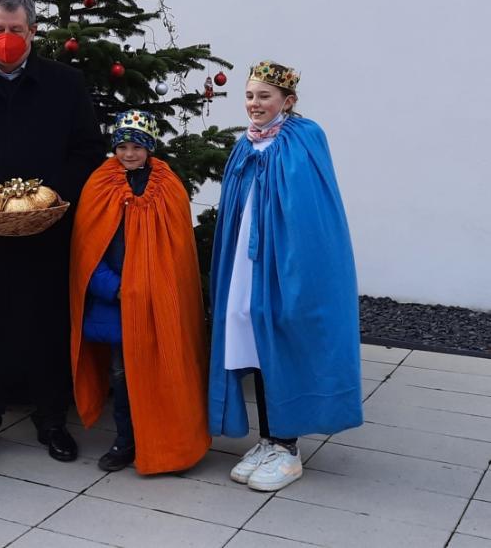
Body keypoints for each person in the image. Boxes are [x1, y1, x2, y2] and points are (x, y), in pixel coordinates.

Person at [0, 0, 104, 463]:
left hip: (48, 230)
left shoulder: (66, 84)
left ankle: (52, 418)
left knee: (47, 321)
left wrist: (41, 200)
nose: (6, 39)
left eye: (15, 30)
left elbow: (87, 151)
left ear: (32, 31)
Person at [208, 61, 362, 492]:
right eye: (251, 96)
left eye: (265, 97)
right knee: (250, 336)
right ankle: (267, 440)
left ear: (287, 102)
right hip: (246, 261)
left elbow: (311, 212)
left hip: (285, 261)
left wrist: (295, 269)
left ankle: (288, 448)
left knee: (279, 333)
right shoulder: (245, 145)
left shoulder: (303, 139)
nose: (255, 104)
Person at [70, 110, 211, 473]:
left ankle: (170, 443)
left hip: (159, 300)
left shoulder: (168, 185)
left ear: (149, 148)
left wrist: (157, 289)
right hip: (118, 302)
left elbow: (178, 250)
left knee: (163, 367)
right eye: (122, 146)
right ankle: (125, 440)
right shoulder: (100, 184)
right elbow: (88, 248)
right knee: (122, 373)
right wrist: (114, 288)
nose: (129, 153)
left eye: (137, 146)